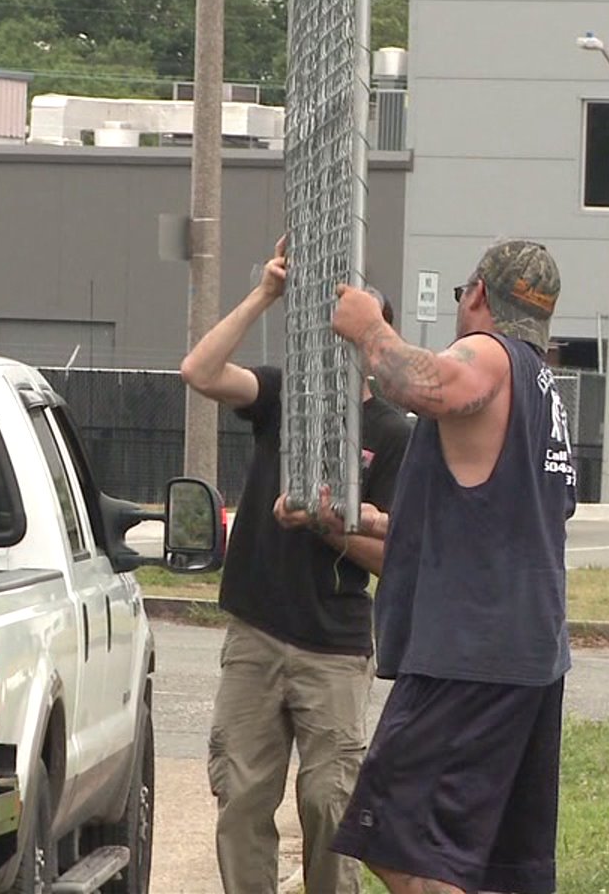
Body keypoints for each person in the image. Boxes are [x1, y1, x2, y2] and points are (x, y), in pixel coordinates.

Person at [327, 239, 575, 894]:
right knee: (488, 865)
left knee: (400, 842)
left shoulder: (490, 355)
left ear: (481, 295)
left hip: (470, 656)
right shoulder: (542, 388)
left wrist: (369, 329)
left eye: (467, 291)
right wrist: (388, 526)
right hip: (526, 653)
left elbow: (425, 383)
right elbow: (505, 513)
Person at [179, 235, 412, 894]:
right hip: (256, 631)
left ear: (375, 339)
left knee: (330, 803)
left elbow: (397, 557)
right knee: (243, 800)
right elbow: (198, 371)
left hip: (333, 648)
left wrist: (325, 524)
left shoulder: (393, 434)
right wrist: (265, 293)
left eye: (354, 324)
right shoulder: (284, 397)